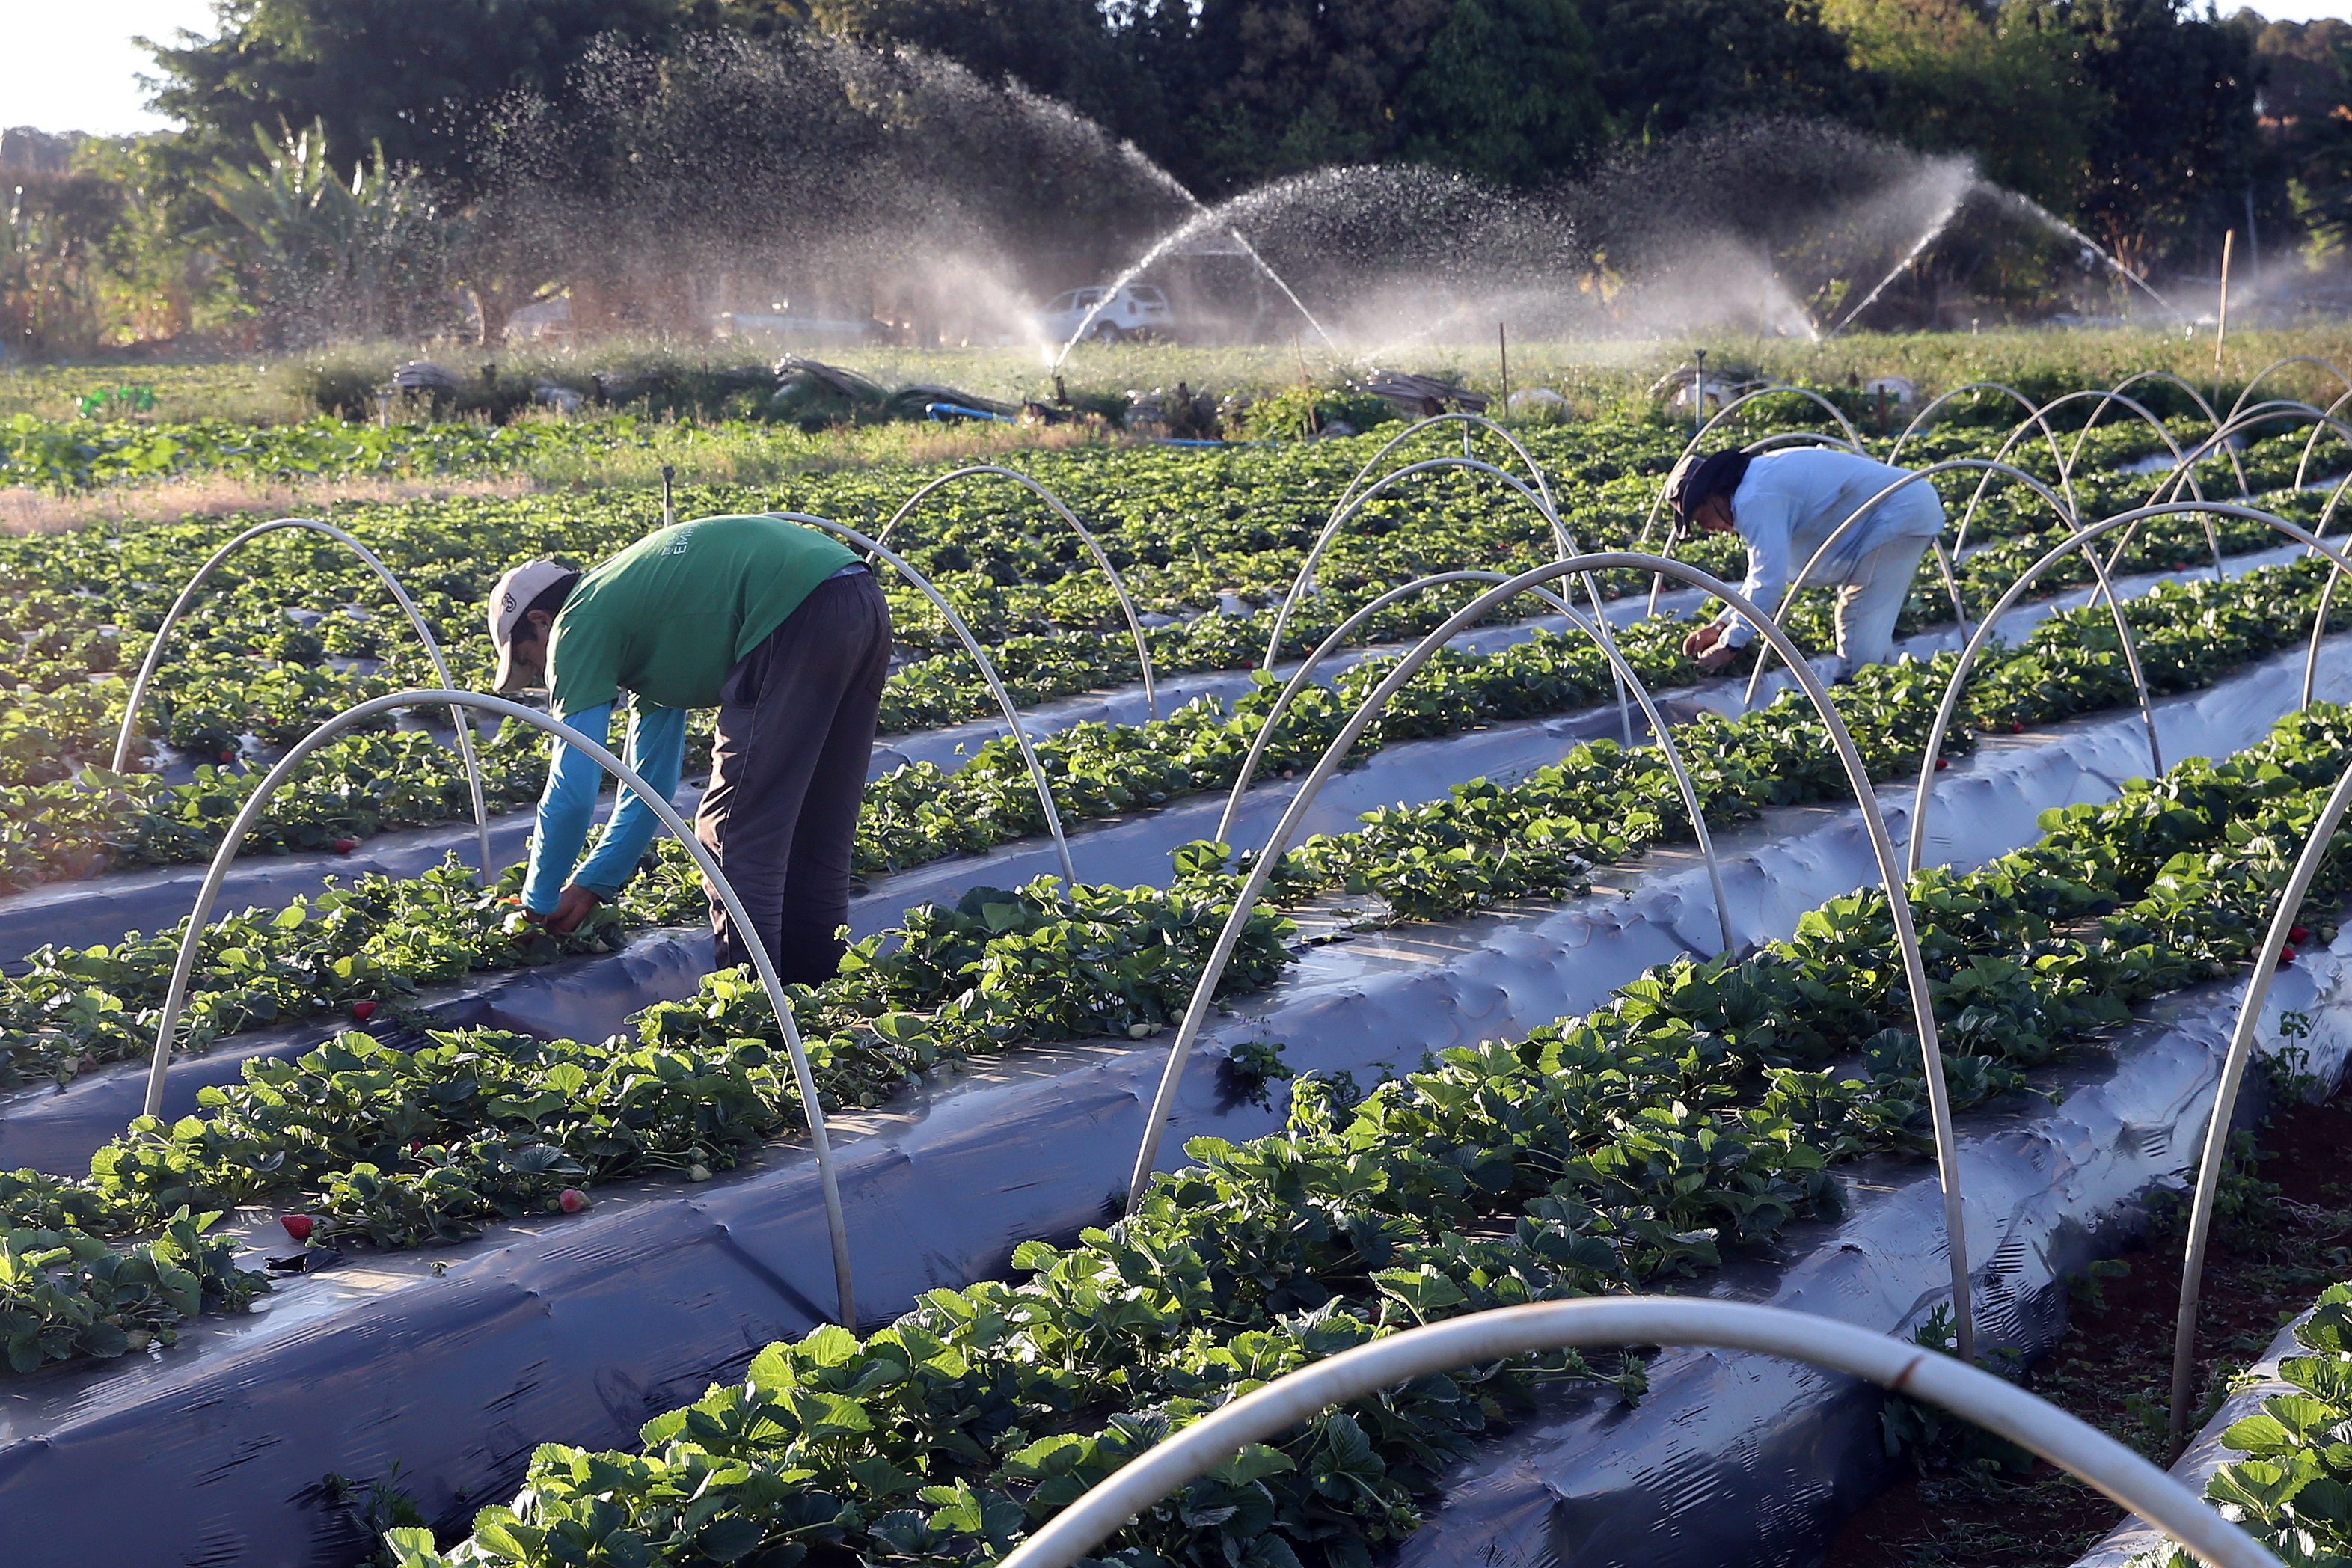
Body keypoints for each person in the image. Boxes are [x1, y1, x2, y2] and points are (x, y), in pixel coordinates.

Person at [486, 513, 892, 984]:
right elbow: (649, 786)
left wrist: (536, 902)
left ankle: (757, 1013)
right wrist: (594, 882)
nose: (540, 673)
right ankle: (817, 997)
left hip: (792, 609)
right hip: (856, 594)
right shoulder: (636, 615)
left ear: (540, 621)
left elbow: (574, 784)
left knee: (732, 831)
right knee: (816, 824)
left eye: (528, 659)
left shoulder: (579, 622)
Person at [1667, 445, 1944, 683]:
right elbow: (1759, 578)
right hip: (1902, 506)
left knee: (1859, 613)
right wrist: (1719, 627)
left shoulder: (1756, 499)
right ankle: (1877, 685)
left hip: (1901, 511)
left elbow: (1769, 583)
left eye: (1699, 516)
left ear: (1712, 496)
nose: (1706, 528)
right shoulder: (1755, 485)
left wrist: (1731, 645)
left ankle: (1857, 699)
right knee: (1868, 617)